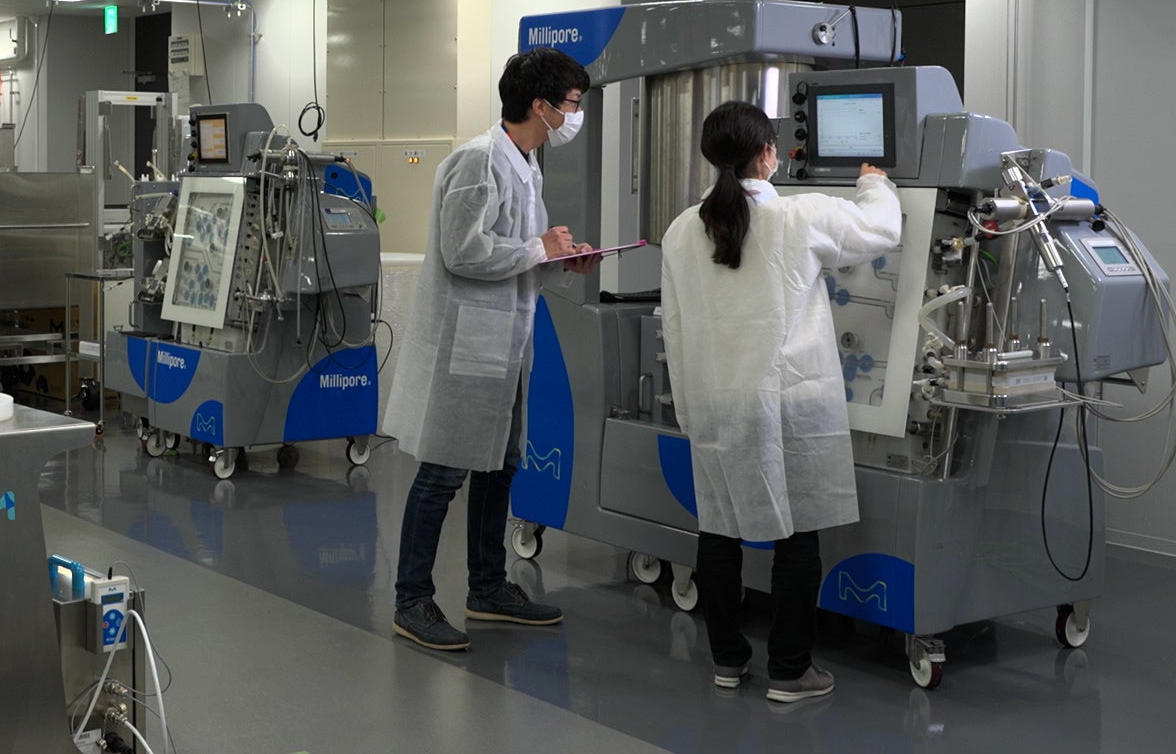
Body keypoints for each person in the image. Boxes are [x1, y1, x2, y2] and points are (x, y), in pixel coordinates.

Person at [659, 101, 901, 703]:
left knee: (720, 529)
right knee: (796, 536)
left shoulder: (681, 231)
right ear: (768, 153)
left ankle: (727, 661)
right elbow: (881, 231)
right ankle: (791, 671)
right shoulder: (800, 215)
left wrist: (688, 412)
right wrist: (874, 182)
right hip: (790, 403)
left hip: (715, 402)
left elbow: (675, 330)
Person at [383, 48, 601, 651]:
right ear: (540, 105)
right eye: (572, 103)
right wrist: (538, 248)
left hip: (506, 341)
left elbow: (517, 255)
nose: (575, 115)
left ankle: (487, 586)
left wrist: (559, 260)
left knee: (500, 464)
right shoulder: (478, 160)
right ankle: (411, 600)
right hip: (467, 344)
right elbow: (463, 252)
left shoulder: (525, 164)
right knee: (443, 471)